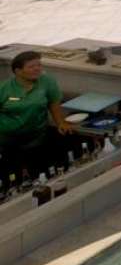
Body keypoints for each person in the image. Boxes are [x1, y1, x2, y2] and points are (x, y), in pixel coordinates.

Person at [0, 51, 73, 180]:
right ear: (18, 71)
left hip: (36, 137)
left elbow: (53, 103)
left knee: (39, 173)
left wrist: (60, 123)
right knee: (12, 175)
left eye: (39, 65)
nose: (37, 69)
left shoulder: (46, 82)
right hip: (8, 140)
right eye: (31, 66)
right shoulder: (4, 88)